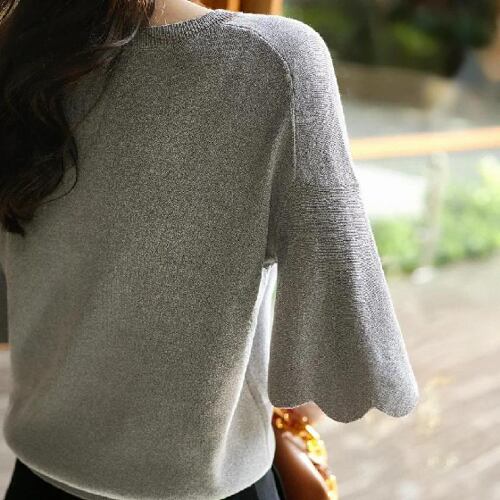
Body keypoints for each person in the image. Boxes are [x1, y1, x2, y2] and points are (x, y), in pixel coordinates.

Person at [0, 0, 420, 498]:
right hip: (208, 484)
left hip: (40, 476)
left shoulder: (20, 52)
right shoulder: (274, 60)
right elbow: (346, 341)